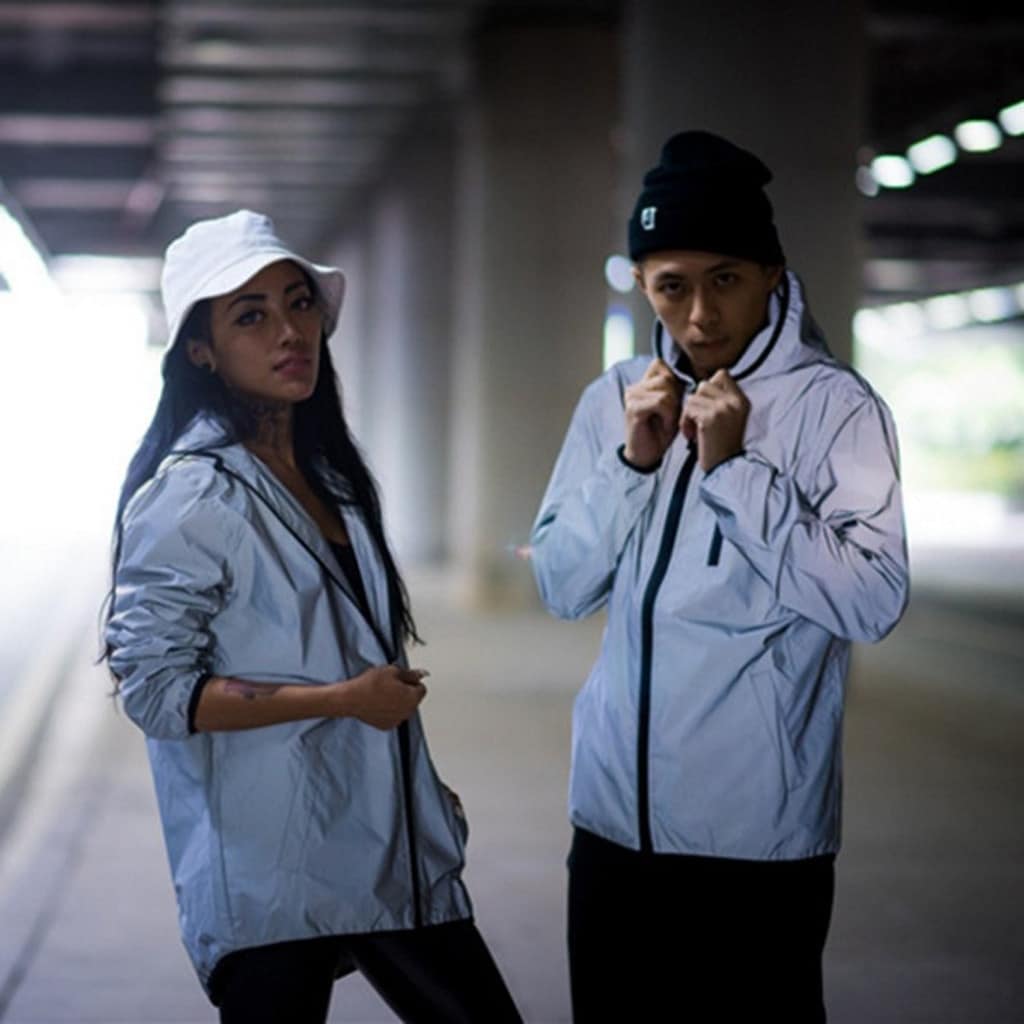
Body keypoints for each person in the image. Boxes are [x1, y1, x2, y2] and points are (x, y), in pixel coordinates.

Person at [104, 210, 522, 1024]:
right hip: (275, 869)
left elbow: (352, 650)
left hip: (384, 848)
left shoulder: (332, 480)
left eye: (298, 305)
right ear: (201, 350)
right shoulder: (192, 493)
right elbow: (155, 693)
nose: (290, 332)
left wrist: (415, 784)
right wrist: (343, 702)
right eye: (250, 317)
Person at [530, 131, 909, 1022]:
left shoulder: (834, 407)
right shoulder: (615, 399)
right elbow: (560, 586)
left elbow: (872, 599)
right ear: (642, 284)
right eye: (672, 285)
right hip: (613, 827)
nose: (699, 314)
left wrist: (735, 472)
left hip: (756, 842)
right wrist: (632, 464)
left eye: (726, 279)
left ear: (772, 275)